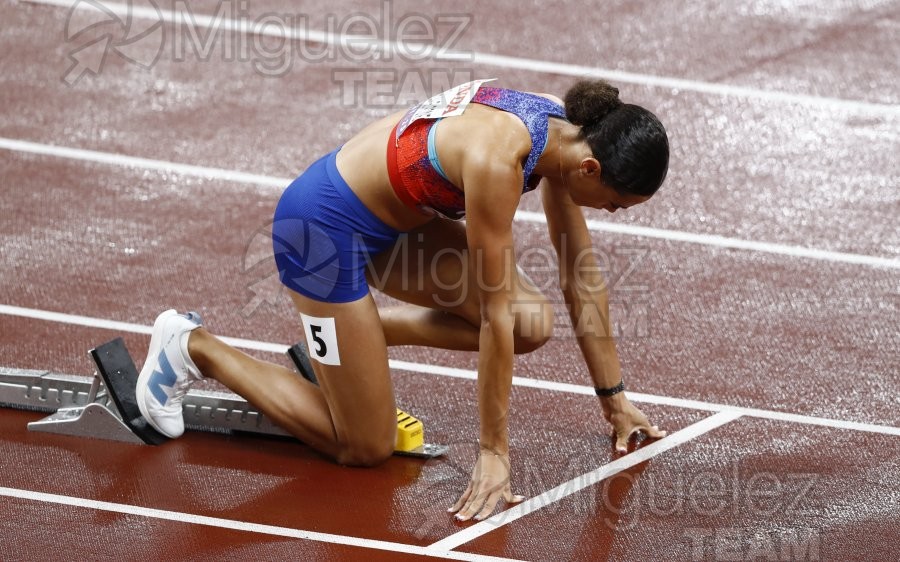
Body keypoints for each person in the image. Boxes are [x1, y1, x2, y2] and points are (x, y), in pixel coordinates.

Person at [135, 78, 670, 522]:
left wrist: (614, 400)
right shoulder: (498, 160)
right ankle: (192, 346)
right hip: (320, 230)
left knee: (531, 323)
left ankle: (355, 343)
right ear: (591, 168)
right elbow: (493, 317)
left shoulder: (564, 134)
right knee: (365, 446)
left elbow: (580, 274)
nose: (609, 213)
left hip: (397, 229)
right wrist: (493, 452)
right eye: (614, 205)